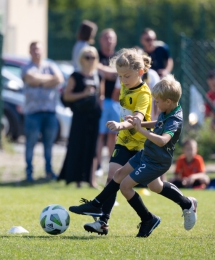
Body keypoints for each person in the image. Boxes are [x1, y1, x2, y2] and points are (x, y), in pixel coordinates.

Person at [69, 75, 197, 238]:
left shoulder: (174, 119)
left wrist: (141, 131)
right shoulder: (170, 108)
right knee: (123, 176)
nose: (155, 104)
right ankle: (186, 203)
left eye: (157, 101)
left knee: (125, 186)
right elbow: (158, 123)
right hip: (148, 153)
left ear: (169, 101)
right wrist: (140, 123)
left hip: (156, 161)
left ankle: (147, 218)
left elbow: (163, 140)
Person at [68, 47, 153, 233]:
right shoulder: (124, 83)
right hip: (124, 141)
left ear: (140, 73)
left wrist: (120, 125)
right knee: (112, 178)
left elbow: (137, 118)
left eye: (126, 76)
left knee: (155, 186)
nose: (122, 81)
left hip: (140, 145)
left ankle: (181, 205)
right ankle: (102, 222)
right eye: (119, 76)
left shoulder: (144, 94)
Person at [58, 46, 104, 188]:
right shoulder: (75, 76)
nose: (90, 60)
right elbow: (66, 95)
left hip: (93, 117)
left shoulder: (98, 76)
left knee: (93, 148)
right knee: (78, 146)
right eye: (87, 57)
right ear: (81, 59)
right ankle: (77, 180)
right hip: (79, 116)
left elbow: (100, 95)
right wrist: (83, 94)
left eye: (93, 57)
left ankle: (92, 180)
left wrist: (100, 109)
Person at [21, 41, 64, 182]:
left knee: (49, 144)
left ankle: (49, 171)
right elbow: (29, 78)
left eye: (38, 49)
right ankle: (29, 172)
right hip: (33, 113)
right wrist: (48, 81)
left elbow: (59, 78)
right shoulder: (26, 67)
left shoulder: (50, 65)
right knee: (30, 143)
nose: (36, 52)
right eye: (34, 50)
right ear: (30, 51)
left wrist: (38, 81)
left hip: (50, 112)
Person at [96, 28, 120, 175]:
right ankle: (98, 165)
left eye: (111, 38)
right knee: (100, 134)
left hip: (117, 102)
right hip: (102, 101)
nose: (109, 40)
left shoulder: (118, 57)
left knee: (113, 134)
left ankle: (110, 165)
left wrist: (106, 72)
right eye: (106, 37)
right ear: (101, 40)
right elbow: (98, 69)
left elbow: (118, 73)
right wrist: (113, 72)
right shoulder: (95, 55)